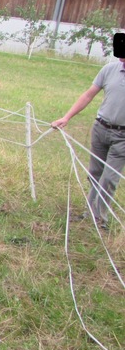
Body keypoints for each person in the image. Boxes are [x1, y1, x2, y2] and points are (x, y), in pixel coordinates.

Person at [51, 54, 125, 226]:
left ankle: (99, 219)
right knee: (95, 174)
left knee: (109, 178)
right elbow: (88, 95)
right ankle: (89, 212)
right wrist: (66, 117)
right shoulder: (109, 69)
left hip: (122, 136)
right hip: (101, 128)